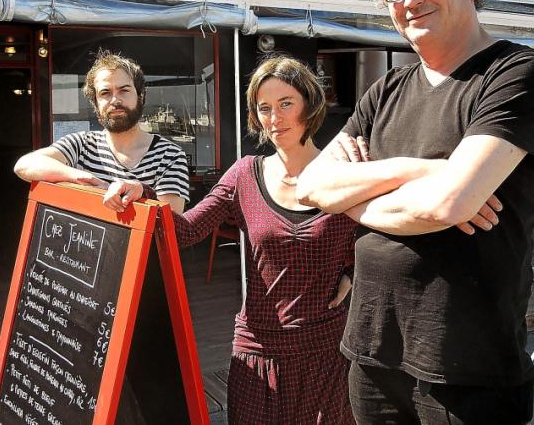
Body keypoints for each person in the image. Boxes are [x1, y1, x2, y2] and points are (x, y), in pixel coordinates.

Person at [296, 0, 534, 423]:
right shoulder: (385, 89)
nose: (409, 0)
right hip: (371, 353)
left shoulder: (516, 74)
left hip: (469, 366)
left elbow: (447, 206)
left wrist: (354, 193)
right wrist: (419, 170)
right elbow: (309, 186)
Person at [103, 56, 357, 424]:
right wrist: (143, 192)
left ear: (310, 105)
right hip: (258, 348)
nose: (275, 118)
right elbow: (186, 231)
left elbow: (375, 237)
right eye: (264, 108)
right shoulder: (244, 175)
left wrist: (354, 271)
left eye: (286, 104)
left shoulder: (346, 175)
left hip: (325, 351)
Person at [14, 50, 189, 213]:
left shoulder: (170, 156)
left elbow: (169, 227)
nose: (115, 100)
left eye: (124, 90)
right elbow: (24, 165)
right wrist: (82, 178)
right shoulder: (81, 145)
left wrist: (140, 191)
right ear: (95, 103)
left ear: (140, 95)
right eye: (105, 93)